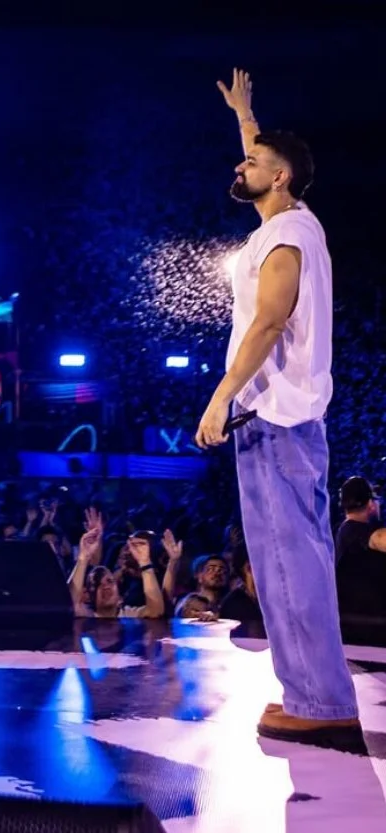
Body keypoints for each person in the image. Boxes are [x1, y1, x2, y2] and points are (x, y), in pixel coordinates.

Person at [195, 68, 360, 747]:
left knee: (291, 561)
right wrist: (246, 114)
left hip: (276, 420)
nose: (244, 163)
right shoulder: (286, 221)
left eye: (255, 161)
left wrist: (219, 396)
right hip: (276, 422)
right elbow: (262, 151)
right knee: (286, 557)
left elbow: (268, 323)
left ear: (282, 177)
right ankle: (310, 693)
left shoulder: (288, 233)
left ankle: (321, 701)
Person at [334, 476, 386, 619]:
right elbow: (380, 539)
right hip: (368, 625)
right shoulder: (354, 531)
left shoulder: (345, 531)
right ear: (370, 504)